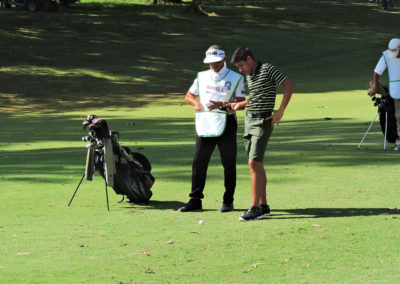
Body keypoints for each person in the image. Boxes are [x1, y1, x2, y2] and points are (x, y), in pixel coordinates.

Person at [229, 47, 294, 221]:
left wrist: (280, 111)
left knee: (253, 163)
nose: (240, 70)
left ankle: (254, 207)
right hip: (249, 121)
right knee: (257, 165)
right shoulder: (249, 75)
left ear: (249, 59)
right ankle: (263, 206)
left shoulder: (267, 69)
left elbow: (289, 85)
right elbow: (255, 97)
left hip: (263, 122)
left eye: (241, 65)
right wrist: (238, 105)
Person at [178, 45, 246, 212]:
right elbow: (189, 95)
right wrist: (196, 103)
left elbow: (241, 102)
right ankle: (195, 201)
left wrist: (228, 106)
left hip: (227, 124)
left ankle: (228, 200)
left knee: (228, 163)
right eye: (210, 63)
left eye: (216, 62)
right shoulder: (201, 76)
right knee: (199, 162)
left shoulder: (236, 77)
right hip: (205, 123)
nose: (213, 65)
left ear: (223, 59)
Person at [370, 38, 400, 150]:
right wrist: (374, 86)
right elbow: (377, 71)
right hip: (397, 89)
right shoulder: (387, 54)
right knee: (399, 116)